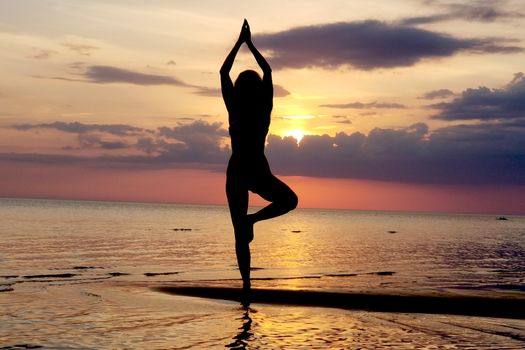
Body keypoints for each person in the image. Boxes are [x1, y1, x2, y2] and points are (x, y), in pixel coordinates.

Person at [220, 19, 298, 291]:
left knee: (241, 230)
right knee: (289, 201)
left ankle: (246, 285)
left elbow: (223, 72)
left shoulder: (236, 108)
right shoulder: (262, 108)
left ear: (240, 88)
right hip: (250, 169)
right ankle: (246, 284)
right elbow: (268, 71)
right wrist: (250, 44)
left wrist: (240, 43)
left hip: (242, 169)